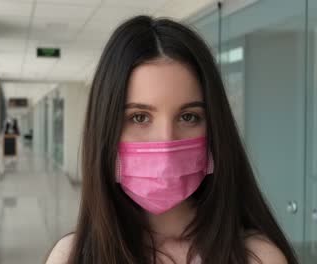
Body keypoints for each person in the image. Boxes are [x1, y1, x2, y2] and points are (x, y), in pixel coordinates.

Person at [46, 16, 298, 264]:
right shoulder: (71, 257)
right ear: (106, 129)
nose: (166, 143)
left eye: (188, 117)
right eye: (139, 117)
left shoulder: (258, 258)